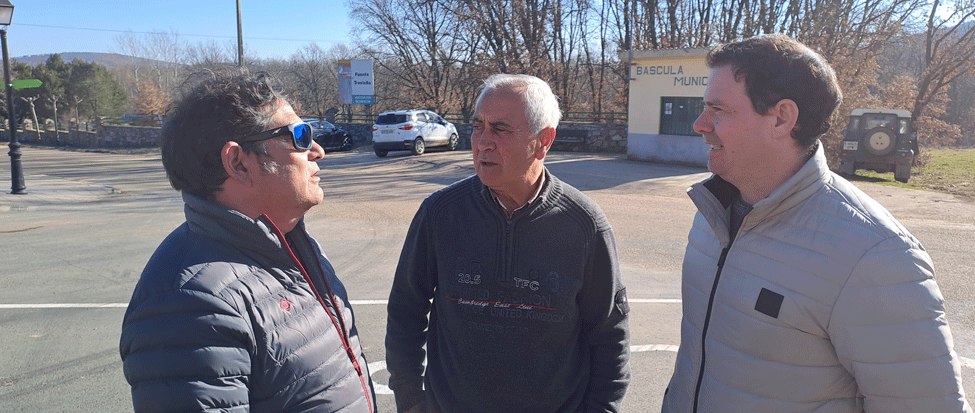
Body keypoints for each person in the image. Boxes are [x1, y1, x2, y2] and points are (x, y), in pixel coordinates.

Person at [662, 34, 970, 412]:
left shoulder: (875, 256)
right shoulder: (712, 210)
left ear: (781, 118)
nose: (699, 124)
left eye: (718, 110)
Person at [119, 68, 377, 413]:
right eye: (298, 135)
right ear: (239, 163)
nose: (317, 150)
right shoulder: (189, 304)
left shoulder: (291, 243)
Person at [384, 74, 631, 413]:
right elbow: (405, 310)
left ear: (543, 141)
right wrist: (411, 401)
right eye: (477, 126)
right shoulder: (440, 215)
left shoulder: (585, 226)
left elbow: (610, 337)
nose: (482, 142)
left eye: (500, 130)